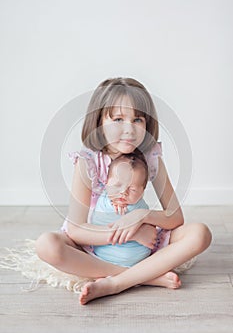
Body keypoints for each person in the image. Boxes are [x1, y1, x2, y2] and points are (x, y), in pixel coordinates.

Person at [35, 77, 212, 305]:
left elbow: (176, 217)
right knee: (46, 245)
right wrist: (130, 233)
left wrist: (141, 217)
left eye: (137, 119)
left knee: (200, 233)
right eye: (118, 119)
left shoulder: (150, 157)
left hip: (143, 244)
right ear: (99, 122)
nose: (129, 130)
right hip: (97, 241)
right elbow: (76, 229)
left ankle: (116, 283)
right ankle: (144, 277)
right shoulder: (88, 161)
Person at [91, 153, 169, 267]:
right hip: (104, 256)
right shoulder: (101, 200)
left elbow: (151, 231)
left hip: (138, 259)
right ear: (106, 183)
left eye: (132, 190)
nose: (123, 192)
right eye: (117, 185)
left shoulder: (141, 208)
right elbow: (96, 222)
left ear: (142, 192)